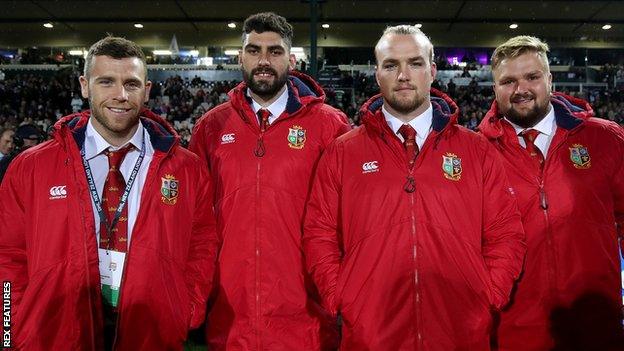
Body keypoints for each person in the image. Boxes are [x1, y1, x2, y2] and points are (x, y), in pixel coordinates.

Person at [303, 25, 526, 350]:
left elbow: (505, 233)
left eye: (415, 63)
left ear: (432, 71)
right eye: (391, 65)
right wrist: (341, 296)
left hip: (460, 333)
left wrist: (489, 293)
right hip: (371, 336)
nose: (403, 75)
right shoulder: (342, 152)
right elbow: (319, 233)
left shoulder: (476, 151)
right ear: (377, 74)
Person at [0, 36, 219, 350]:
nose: (120, 95)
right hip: (56, 333)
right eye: (107, 82)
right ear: (85, 86)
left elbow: (202, 244)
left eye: (131, 84)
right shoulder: (30, 167)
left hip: (150, 331)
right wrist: (11, 329)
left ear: (147, 91)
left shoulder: (187, 168)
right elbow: (8, 256)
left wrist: (187, 309)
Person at [189, 12, 350, 351]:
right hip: (230, 320)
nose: (263, 61)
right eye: (253, 50)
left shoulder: (330, 126)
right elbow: (195, 223)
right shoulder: (210, 128)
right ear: (240, 57)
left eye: (275, 51)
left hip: (306, 321)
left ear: (291, 59)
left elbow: (347, 220)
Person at [478, 36, 624, 351]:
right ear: (495, 89)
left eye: (532, 77)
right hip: (514, 331)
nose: (521, 89)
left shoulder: (605, 139)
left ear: (550, 80)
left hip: (595, 325)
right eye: (508, 81)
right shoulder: (475, 153)